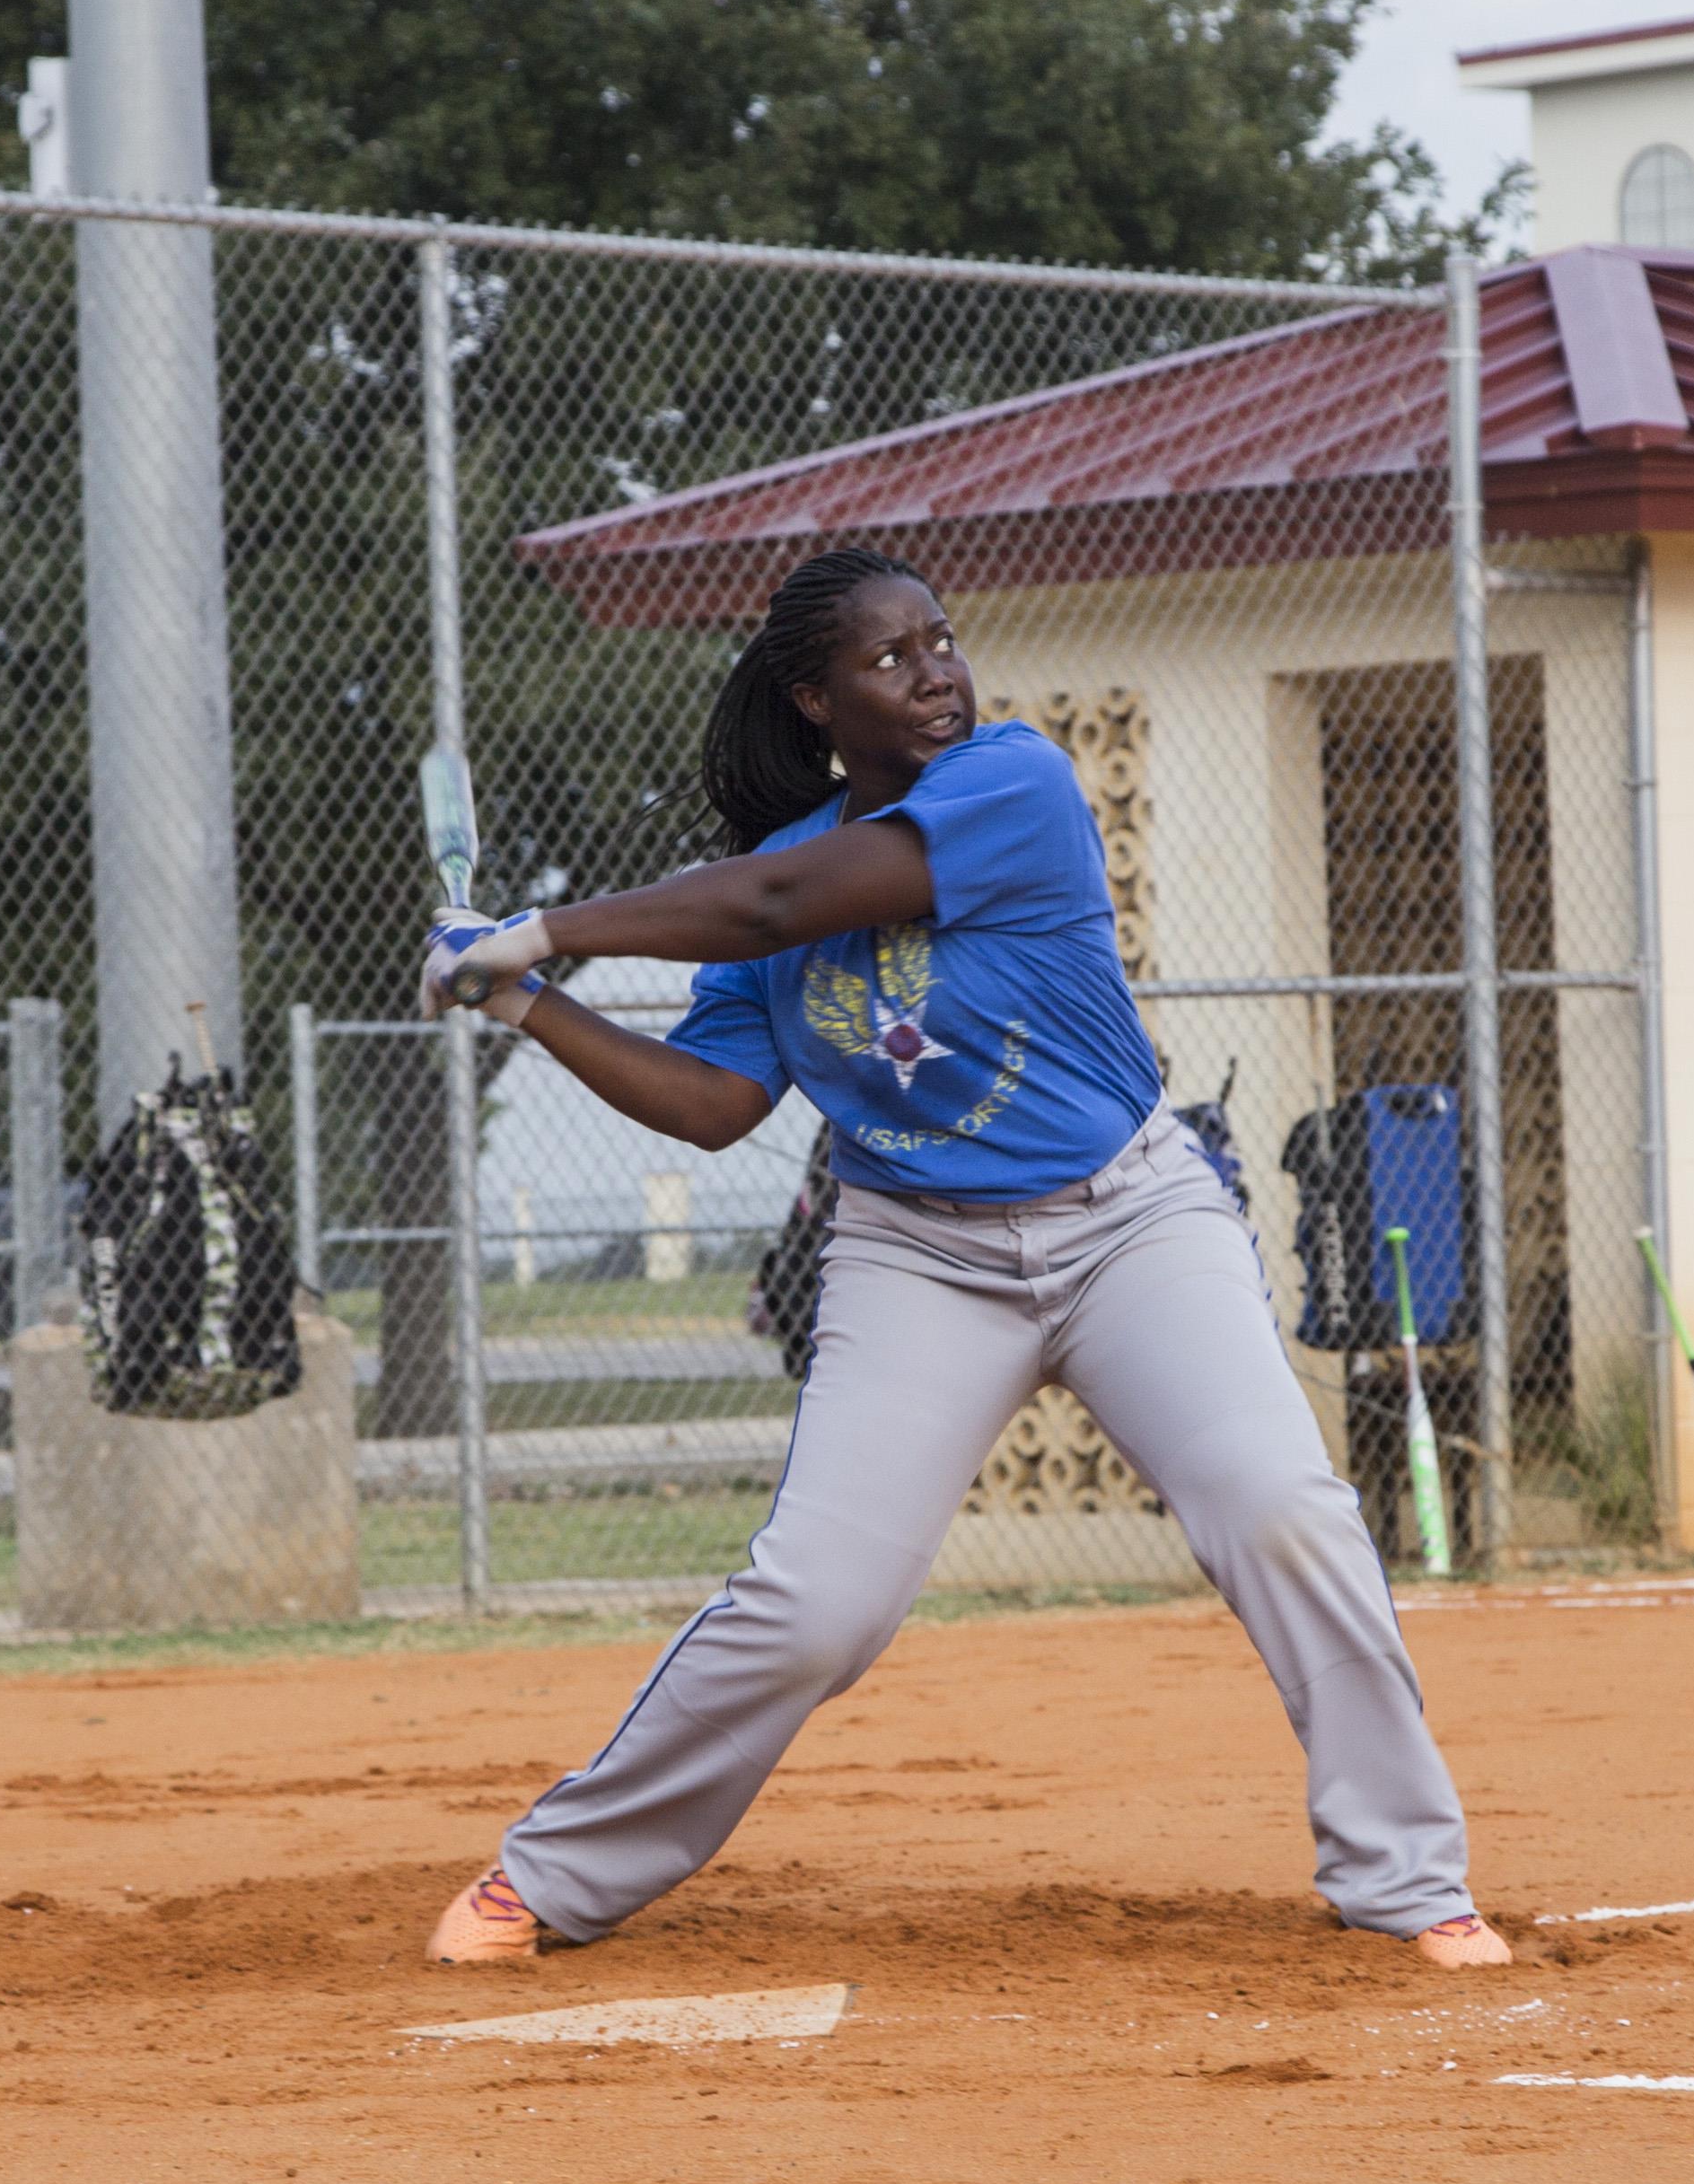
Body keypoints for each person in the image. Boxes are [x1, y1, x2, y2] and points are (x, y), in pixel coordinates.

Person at [415, 548, 1510, 1971]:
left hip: (1131, 1221)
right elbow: (712, 1106)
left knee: (1281, 1504)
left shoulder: (1014, 783)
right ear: (815, 701)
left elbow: (773, 903)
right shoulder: (775, 882)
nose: (936, 672)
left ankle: (1410, 1882)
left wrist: (545, 927)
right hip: (914, 1255)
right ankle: (551, 1879)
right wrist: (529, 1003)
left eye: (940, 641)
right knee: (817, 1601)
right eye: (889, 659)